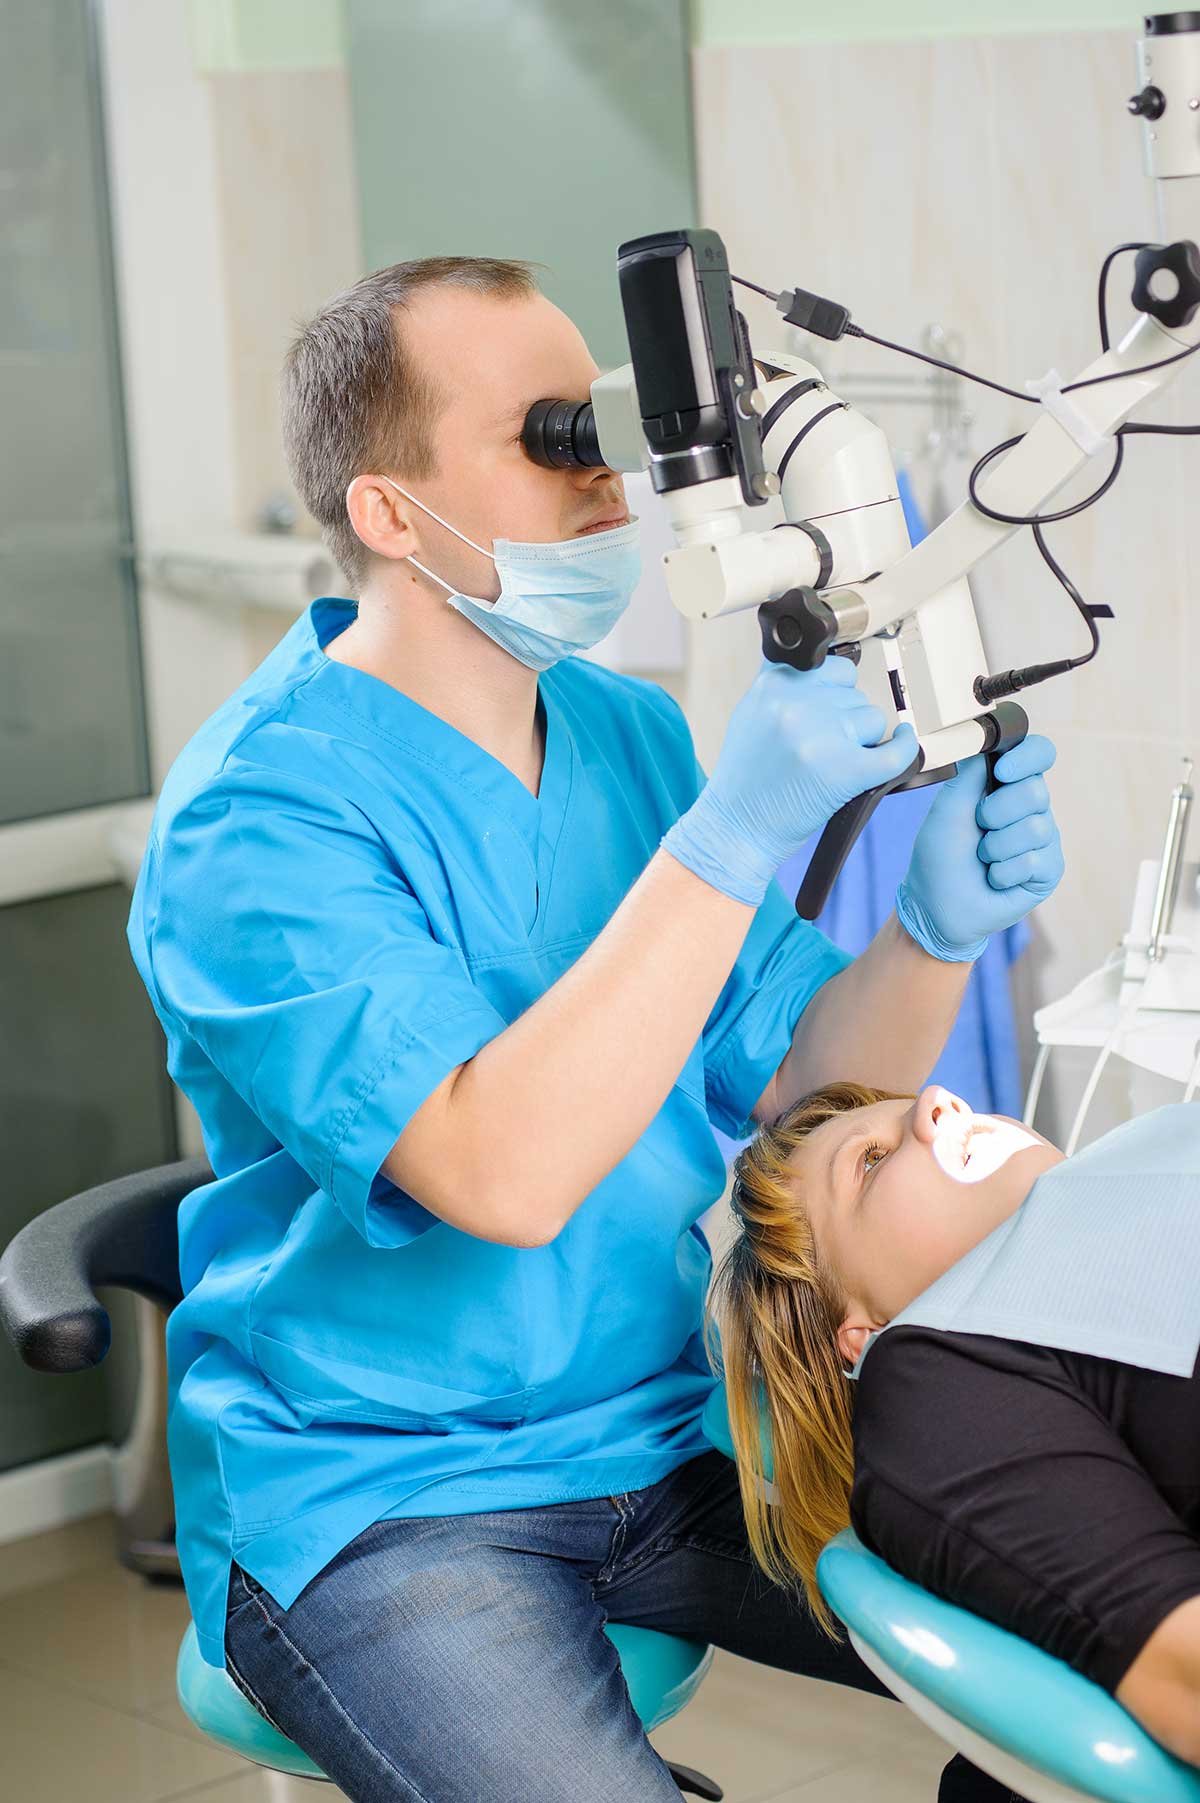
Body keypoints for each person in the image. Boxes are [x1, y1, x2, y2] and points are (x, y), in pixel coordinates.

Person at [127, 254, 1064, 1803]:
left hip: (670, 1424)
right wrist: (726, 840)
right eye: (549, 437)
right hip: (387, 1489)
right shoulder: (256, 817)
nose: (609, 478)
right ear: (389, 512)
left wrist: (931, 933)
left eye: (601, 425)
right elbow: (498, 1174)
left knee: (1099, 1634)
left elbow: (806, 1085)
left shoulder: (625, 732)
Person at [713, 1082, 1200, 1768]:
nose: (938, 1101)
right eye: (871, 1161)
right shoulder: (933, 1377)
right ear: (865, 1331)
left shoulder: (1149, 1161)